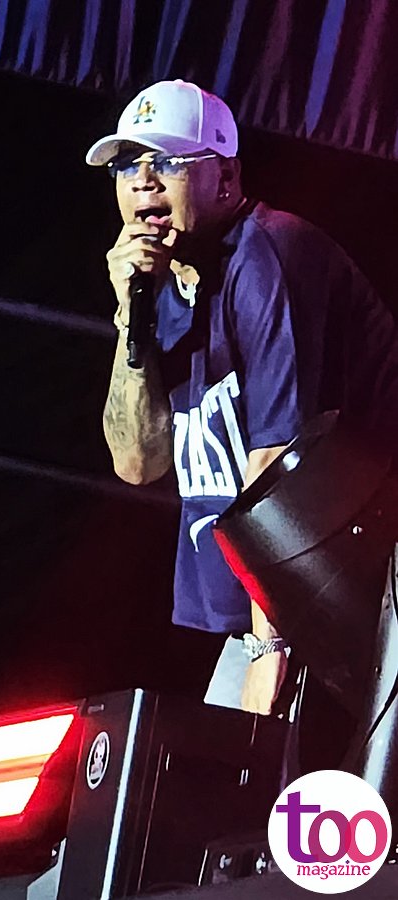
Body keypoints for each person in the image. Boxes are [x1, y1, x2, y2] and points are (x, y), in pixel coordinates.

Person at [86, 79, 398, 716]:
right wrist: (131, 320)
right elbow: (138, 461)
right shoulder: (164, 284)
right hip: (282, 605)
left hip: (354, 604)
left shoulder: (267, 257)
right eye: (126, 165)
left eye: (168, 161)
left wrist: (268, 654)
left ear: (225, 176)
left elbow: (279, 469)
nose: (143, 181)